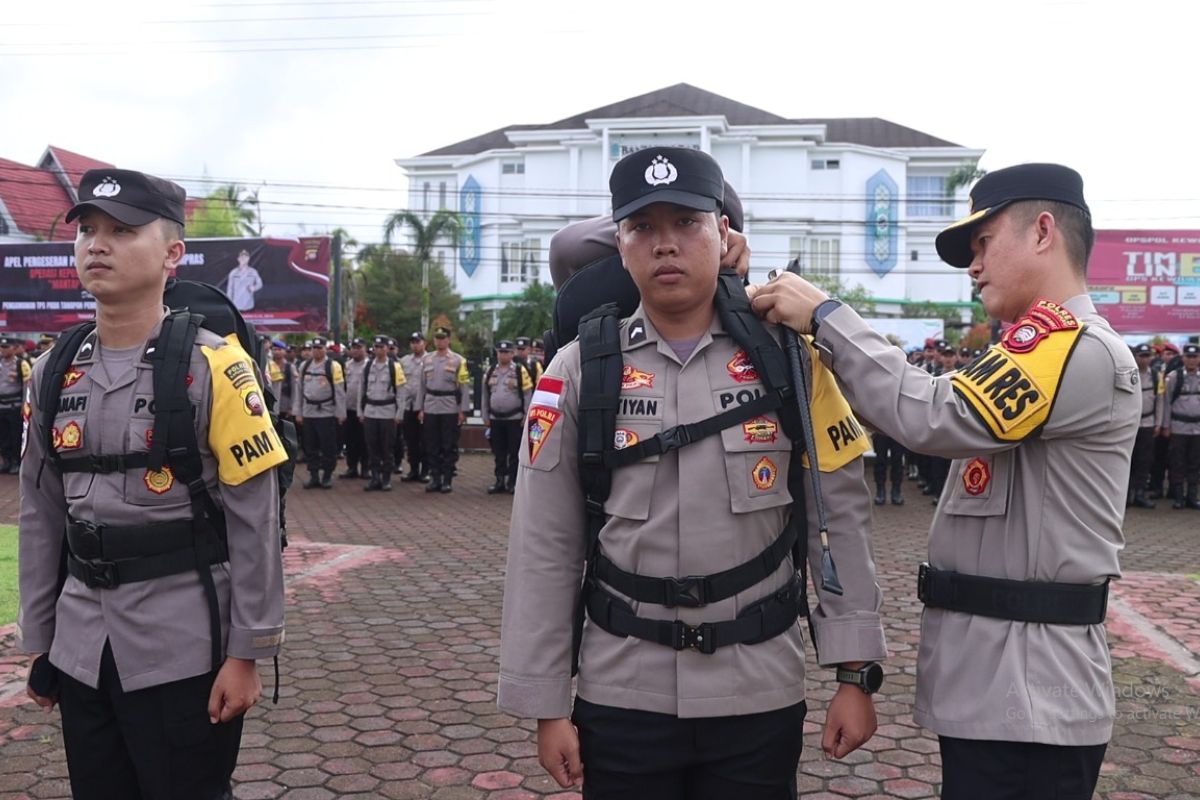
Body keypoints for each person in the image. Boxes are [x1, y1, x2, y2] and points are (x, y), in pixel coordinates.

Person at [499, 146, 886, 799]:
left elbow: (837, 518)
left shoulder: (789, 358)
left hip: (756, 691)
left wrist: (855, 675)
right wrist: (547, 704)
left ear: (725, 235)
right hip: (621, 692)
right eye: (643, 228)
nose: (665, 245)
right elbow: (543, 545)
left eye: (686, 223)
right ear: (619, 246)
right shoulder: (578, 369)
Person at [749, 162, 1139, 799]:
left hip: (1032, 693)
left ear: (1043, 232)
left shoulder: (1070, 347)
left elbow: (932, 415)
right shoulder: (1033, 348)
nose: (973, 265)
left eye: (984, 243)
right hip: (1004, 683)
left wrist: (827, 316)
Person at [18, 168, 286, 799]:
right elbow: (40, 512)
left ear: (172, 254)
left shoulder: (217, 365)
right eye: (86, 230)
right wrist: (41, 641)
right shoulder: (52, 370)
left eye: (122, 230)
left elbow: (254, 518)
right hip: (83, 641)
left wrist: (248, 654)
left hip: (186, 645)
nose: (97, 245)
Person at [415, 326, 470, 493]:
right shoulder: (427, 360)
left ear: (448, 339)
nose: (440, 341)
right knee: (431, 444)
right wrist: (420, 408)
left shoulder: (458, 361)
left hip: (449, 407)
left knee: (448, 445)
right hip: (431, 406)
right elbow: (421, 386)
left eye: (443, 338)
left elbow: (464, 387)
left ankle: (447, 479)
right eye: (437, 338)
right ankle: (435, 478)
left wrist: (463, 410)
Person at [481, 340, 532, 493]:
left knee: (514, 452)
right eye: (500, 352)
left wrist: (526, 416)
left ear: (512, 354)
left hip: (514, 418)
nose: (503, 355)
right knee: (499, 452)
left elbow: (527, 395)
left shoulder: (519, 371)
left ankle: (513, 482)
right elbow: (484, 395)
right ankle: (499, 480)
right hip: (495, 419)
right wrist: (485, 416)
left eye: (506, 352)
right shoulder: (490, 371)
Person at [295, 337, 346, 489]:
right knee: (310, 447)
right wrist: (298, 412)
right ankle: (314, 475)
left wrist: (340, 412)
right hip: (309, 412)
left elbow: (339, 391)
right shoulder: (304, 366)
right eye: (314, 348)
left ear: (325, 349)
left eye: (320, 348)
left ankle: (327, 475)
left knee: (327, 446)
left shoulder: (333, 366)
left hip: (326, 412)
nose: (317, 351)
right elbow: (299, 391)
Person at [359, 334, 407, 491]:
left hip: (387, 412)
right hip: (371, 412)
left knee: (387, 447)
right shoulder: (367, 366)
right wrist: (361, 411)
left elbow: (401, 391)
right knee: (372, 447)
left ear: (387, 348)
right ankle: (375, 478)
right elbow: (362, 390)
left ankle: (386, 479)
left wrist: (399, 413)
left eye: (382, 347)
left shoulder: (395, 367)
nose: (379, 350)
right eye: (376, 347)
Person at [1162, 343, 1200, 509]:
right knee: (1177, 463)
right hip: (1178, 427)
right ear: (1183, 358)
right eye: (1188, 357)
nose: (1191, 360)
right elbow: (1166, 403)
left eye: (1195, 357)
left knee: (1195, 463)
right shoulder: (1173, 377)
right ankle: (1178, 497)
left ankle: (1192, 497)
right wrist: (1165, 425)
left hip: (1197, 428)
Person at [1128, 342, 1160, 508]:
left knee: (1144, 460)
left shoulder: (1155, 375)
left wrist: (1159, 423)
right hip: (1131, 424)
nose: (1145, 359)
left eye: (1148, 356)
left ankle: (1139, 493)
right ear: (1135, 357)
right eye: (1142, 356)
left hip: (1148, 423)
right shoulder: (1129, 374)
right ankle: (1126, 496)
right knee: (1129, 460)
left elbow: (1160, 401)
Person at [398, 332, 428, 481]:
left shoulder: (430, 360)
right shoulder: (404, 361)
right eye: (413, 342)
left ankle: (426, 471)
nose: (415, 345)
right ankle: (413, 469)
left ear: (424, 343)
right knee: (411, 440)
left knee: (426, 440)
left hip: (425, 406)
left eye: (418, 341)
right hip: (408, 406)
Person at [0, 336, 31, 473]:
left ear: (13, 348)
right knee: (3, 436)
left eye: (6, 347)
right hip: (1, 405)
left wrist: (25, 405)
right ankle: (6, 461)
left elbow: (26, 386)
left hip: (15, 405)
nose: (3, 350)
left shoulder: (21, 364)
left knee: (16, 436)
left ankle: (16, 462)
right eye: (1, 347)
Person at [340, 337, 369, 478]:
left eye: (359, 347)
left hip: (365, 410)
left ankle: (365, 468)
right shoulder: (347, 365)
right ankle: (351, 467)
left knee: (364, 440)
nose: (356, 350)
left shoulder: (369, 365)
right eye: (354, 348)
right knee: (350, 440)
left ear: (365, 349)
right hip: (349, 408)